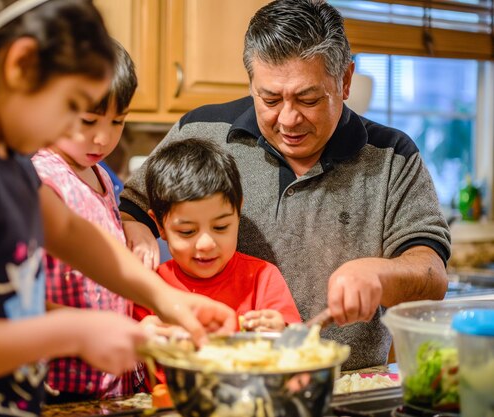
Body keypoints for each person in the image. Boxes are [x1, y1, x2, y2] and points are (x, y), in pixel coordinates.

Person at [0, 1, 235, 416]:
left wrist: (168, 300)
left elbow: (70, 232)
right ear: (21, 64)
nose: (68, 129)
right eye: (70, 105)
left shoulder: (5, 159)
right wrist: (75, 331)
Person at [119, 0, 450, 371]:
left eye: (308, 99)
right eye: (270, 99)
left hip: (344, 387)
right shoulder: (199, 131)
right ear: (251, 82)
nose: (289, 119)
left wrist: (379, 273)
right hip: (225, 382)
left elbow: (432, 275)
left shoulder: (393, 155)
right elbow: (130, 208)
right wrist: (138, 228)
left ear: (345, 80)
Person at [31, 40, 143, 402]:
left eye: (118, 121)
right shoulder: (40, 176)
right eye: (89, 121)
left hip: (110, 385)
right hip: (60, 384)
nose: (104, 137)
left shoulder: (103, 177)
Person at [134, 139, 301, 333]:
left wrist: (281, 332)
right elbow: (126, 359)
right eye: (187, 232)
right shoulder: (148, 286)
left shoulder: (263, 277)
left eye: (221, 227)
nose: (206, 244)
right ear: (159, 225)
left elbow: (298, 345)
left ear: (238, 212)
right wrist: (140, 338)